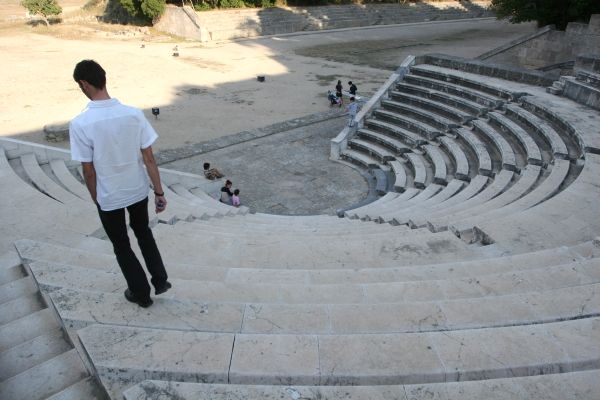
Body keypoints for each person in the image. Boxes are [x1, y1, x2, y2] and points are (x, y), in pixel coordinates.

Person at [69, 59, 171, 308]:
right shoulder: (133, 113)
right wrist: (159, 192)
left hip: (109, 196)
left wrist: (96, 199)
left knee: (121, 245)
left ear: (84, 84)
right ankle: (160, 280)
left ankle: (141, 294)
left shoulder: (80, 123)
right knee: (144, 233)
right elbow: (149, 158)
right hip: (137, 189)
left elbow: (88, 170)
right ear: (104, 79)